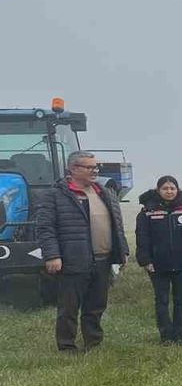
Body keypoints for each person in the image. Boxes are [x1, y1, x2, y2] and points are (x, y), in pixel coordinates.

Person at [35, 150, 129, 351]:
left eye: (96, 167)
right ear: (73, 169)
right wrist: (52, 255)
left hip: (102, 260)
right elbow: (45, 228)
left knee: (96, 305)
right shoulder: (54, 195)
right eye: (89, 167)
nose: (95, 171)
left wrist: (123, 251)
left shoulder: (105, 193)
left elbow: (117, 224)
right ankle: (67, 346)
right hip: (73, 260)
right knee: (69, 307)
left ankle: (93, 342)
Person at [135, 176, 182, 344]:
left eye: (172, 188)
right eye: (165, 188)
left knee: (180, 301)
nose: (169, 191)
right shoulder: (147, 211)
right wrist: (145, 260)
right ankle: (166, 334)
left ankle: (179, 334)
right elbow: (142, 237)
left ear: (177, 190)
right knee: (162, 300)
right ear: (158, 190)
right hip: (157, 265)